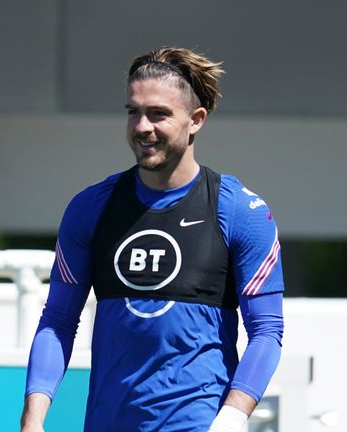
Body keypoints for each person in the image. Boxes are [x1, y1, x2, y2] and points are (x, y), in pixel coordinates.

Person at [20, 47, 284, 432]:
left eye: (158, 114)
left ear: (195, 120)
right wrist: (33, 418)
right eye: (133, 112)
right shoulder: (91, 208)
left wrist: (231, 416)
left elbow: (267, 330)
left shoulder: (241, 211)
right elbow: (58, 321)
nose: (142, 126)